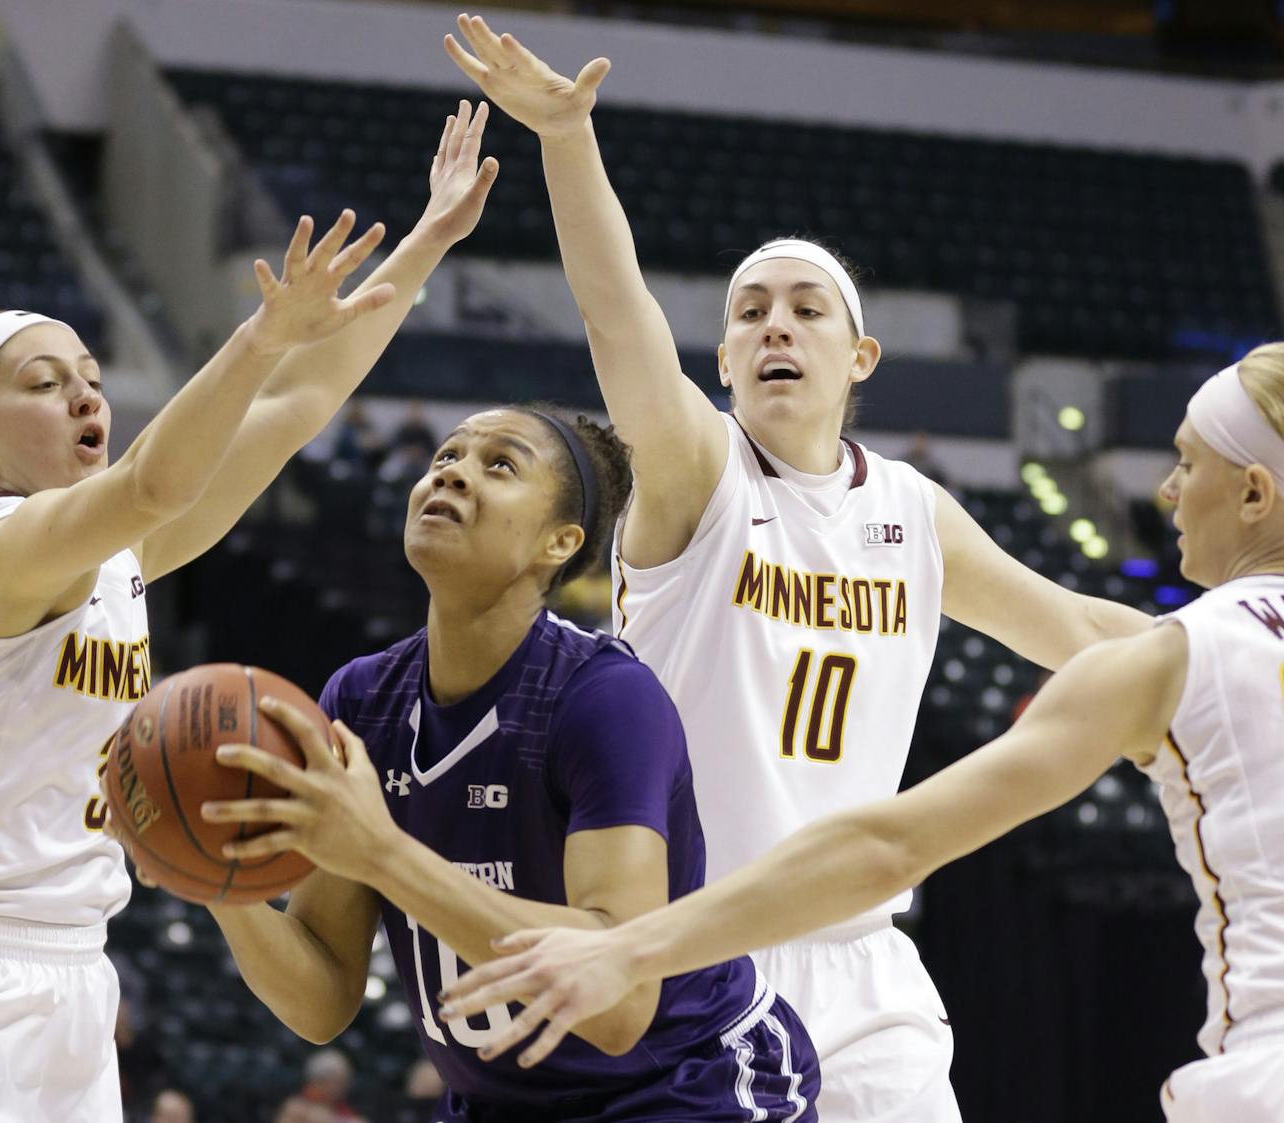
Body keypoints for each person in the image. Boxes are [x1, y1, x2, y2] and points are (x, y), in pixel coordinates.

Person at [443, 15, 1151, 1121]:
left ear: (856, 355)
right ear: (723, 361)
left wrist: (1228, 649)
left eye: (804, 309)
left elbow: (1073, 629)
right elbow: (616, 316)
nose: (775, 325)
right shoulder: (696, 473)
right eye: (748, 313)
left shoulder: (912, 512)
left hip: (863, 959)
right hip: (694, 949)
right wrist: (567, 140)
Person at [0, 96, 500, 1123]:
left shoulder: (118, 557)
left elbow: (298, 406)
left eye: (92, 377)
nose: (85, 397)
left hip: (78, 984)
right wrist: (255, 335)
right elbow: (157, 482)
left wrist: (425, 241)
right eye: (44, 382)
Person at [437, 348, 1284, 1122]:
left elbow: (887, 847)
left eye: (1186, 462)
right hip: (726, 942)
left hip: (822, 945)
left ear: (1255, 492)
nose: (1166, 489)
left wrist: (624, 950)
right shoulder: (707, 485)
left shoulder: (1176, 657)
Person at [204, 405, 818, 1122]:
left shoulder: (603, 699)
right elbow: (324, 996)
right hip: (502, 1104)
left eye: (500, 465)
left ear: (560, 541)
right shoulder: (362, 701)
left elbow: (617, 1004)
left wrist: (382, 852)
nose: (453, 473)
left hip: (681, 1087)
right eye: (446, 456)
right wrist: (216, 878)